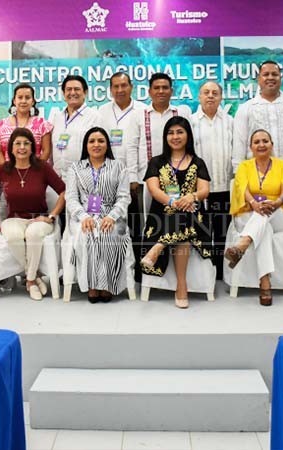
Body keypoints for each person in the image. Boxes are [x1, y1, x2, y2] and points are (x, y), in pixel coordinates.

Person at [139, 117, 211, 309]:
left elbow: (204, 190)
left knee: (185, 217)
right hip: (161, 216)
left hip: (193, 214)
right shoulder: (156, 161)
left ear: (188, 135)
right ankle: (181, 285)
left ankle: (159, 248)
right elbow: (154, 190)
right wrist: (174, 201)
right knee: (181, 221)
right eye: (171, 133)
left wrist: (191, 197)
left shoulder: (198, 162)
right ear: (165, 137)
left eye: (180, 132)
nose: (175, 136)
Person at [223, 129, 283, 306]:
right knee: (263, 226)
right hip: (250, 211)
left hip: (278, 212)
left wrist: (275, 203)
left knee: (263, 218)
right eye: (257, 142)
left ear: (272, 145)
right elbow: (242, 189)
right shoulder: (244, 166)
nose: (261, 145)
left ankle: (241, 246)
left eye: (265, 141)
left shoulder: (282, 165)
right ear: (251, 147)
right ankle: (265, 283)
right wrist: (255, 204)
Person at [0, 128, 65, 301]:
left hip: (39, 218)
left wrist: (52, 216)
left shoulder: (42, 168)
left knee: (33, 233)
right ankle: (33, 276)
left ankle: (29, 280)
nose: (22, 147)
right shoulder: (3, 170)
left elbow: (63, 192)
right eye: (17, 143)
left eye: (26, 143)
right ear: (11, 147)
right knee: (14, 235)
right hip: (13, 218)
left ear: (33, 147)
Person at [64, 127, 132, 302]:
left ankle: (108, 284)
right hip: (84, 215)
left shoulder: (119, 167)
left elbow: (124, 197)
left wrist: (112, 217)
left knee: (109, 233)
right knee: (88, 234)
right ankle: (92, 285)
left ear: (107, 144)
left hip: (112, 214)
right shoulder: (75, 168)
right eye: (92, 141)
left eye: (101, 141)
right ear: (86, 145)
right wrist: (83, 216)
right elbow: (71, 198)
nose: (96, 145)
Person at [97, 72, 146, 280]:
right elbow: (97, 143)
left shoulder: (142, 110)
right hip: (108, 177)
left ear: (131, 87)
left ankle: (137, 270)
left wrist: (134, 177)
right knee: (111, 222)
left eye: (124, 85)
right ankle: (112, 268)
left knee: (136, 223)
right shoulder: (102, 111)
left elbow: (141, 147)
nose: (120, 90)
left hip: (132, 178)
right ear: (110, 89)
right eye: (115, 86)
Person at [233, 61, 283, 175]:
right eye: (266, 74)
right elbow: (239, 143)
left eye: (274, 74)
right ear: (258, 79)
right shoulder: (245, 108)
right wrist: (239, 172)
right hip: (255, 176)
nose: (270, 77)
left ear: (281, 78)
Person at [192, 81, 233, 279]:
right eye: (206, 92)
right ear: (199, 97)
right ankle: (206, 272)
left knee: (223, 230)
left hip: (224, 185)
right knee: (203, 231)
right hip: (199, 188)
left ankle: (221, 272)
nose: (210, 96)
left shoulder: (230, 122)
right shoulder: (191, 122)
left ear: (221, 97)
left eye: (215, 93)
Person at [51, 75, 100, 177]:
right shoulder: (57, 118)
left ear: (85, 93)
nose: (72, 93)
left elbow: (100, 150)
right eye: (68, 89)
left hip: (83, 178)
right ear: (64, 93)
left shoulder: (94, 117)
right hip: (58, 180)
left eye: (77, 89)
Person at [0, 83, 53, 166]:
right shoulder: (0, 125)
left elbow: (46, 151)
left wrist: (36, 170)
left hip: (35, 173)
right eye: (20, 97)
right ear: (14, 101)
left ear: (33, 101)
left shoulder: (43, 124)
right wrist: (6, 170)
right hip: (8, 173)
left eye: (27, 98)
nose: (23, 101)